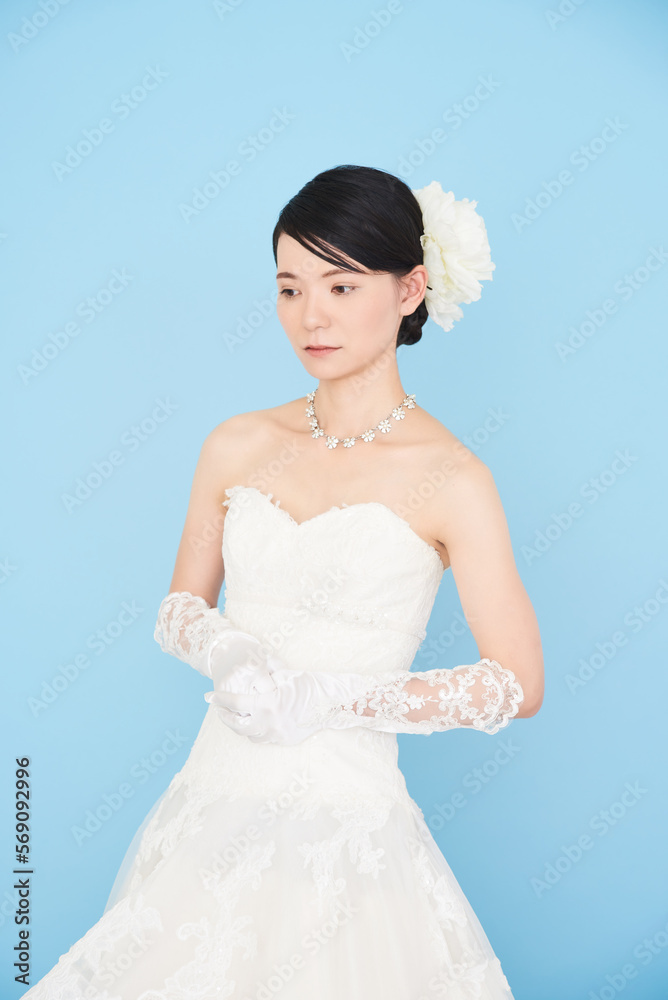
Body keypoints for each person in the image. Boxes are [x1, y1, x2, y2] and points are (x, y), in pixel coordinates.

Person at [23, 164, 544, 999]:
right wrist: (227, 652)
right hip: (212, 807)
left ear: (410, 290)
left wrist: (332, 697)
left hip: (351, 831)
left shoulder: (453, 478)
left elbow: (516, 683)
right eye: (290, 288)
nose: (311, 316)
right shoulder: (237, 444)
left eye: (341, 286)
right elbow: (180, 606)